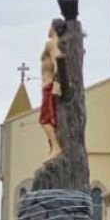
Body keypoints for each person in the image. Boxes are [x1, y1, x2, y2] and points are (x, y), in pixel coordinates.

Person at [39, 19, 66, 162]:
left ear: (54, 28)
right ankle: (53, 147)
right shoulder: (54, 43)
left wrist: (57, 82)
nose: (48, 29)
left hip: (49, 84)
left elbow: (57, 62)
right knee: (47, 119)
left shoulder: (52, 43)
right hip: (47, 84)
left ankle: (56, 147)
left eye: (50, 26)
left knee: (45, 119)